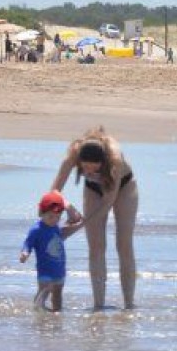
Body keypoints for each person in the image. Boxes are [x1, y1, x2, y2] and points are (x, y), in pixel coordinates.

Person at [50, 129, 139, 310]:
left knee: (124, 244)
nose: (89, 172)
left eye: (94, 168)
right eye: (85, 168)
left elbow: (108, 202)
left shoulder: (115, 159)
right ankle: (99, 305)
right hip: (93, 191)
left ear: (103, 162)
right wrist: (68, 207)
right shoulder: (74, 153)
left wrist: (76, 228)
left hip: (123, 188)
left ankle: (129, 304)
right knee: (96, 247)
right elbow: (54, 190)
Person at [20, 191, 86, 312]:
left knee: (58, 294)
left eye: (58, 217)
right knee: (43, 291)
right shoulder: (36, 229)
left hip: (59, 269)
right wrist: (25, 253)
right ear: (41, 213)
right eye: (51, 216)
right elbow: (28, 243)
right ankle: (37, 310)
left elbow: (75, 220)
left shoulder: (56, 228)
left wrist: (66, 205)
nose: (54, 220)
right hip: (45, 269)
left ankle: (57, 312)